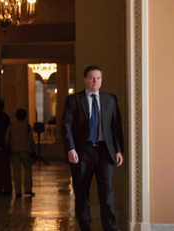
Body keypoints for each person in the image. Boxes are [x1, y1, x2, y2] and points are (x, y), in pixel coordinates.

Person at [61, 65, 124, 231]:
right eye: (91, 78)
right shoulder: (73, 100)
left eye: (98, 78)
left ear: (102, 80)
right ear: (84, 80)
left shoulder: (110, 99)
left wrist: (118, 150)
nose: (95, 81)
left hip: (105, 152)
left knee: (107, 194)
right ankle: (85, 227)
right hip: (82, 152)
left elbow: (116, 127)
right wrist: (70, 148)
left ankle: (110, 228)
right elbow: (66, 126)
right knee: (82, 194)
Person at [5, 109, 35, 197]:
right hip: (25, 151)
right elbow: (31, 140)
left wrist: (7, 146)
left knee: (16, 171)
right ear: (25, 116)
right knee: (28, 170)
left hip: (14, 151)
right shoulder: (27, 126)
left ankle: (18, 191)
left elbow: (7, 138)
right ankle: (28, 189)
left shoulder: (11, 125)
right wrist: (34, 150)